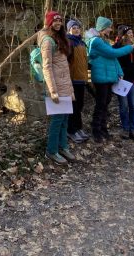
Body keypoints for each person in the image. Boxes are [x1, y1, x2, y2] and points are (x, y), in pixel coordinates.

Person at [85, 16, 133, 143]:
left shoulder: (104, 41)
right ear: (102, 28)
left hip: (108, 76)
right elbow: (113, 54)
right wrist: (129, 48)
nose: (110, 30)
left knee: (105, 104)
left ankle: (103, 129)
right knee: (101, 104)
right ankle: (96, 130)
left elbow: (113, 59)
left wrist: (120, 72)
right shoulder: (96, 41)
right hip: (100, 77)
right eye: (108, 27)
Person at [39, 11, 76, 165]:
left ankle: (63, 146)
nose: (58, 23)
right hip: (56, 87)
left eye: (60, 21)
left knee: (65, 119)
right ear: (49, 23)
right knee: (57, 120)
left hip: (65, 85)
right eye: (55, 21)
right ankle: (51, 151)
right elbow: (46, 67)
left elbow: (63, 67)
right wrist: (52, 90)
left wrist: (70, 89)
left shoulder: (60, 38)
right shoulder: (48, 41)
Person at [113, 25, 134, 141]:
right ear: (123, 35)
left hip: (133, 81)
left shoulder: (133, 47)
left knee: (133, 105)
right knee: (124, 106)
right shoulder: (116, 47)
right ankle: (125, 129)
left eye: (132, 33)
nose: (131, 35)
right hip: (121, 81)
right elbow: (116, 63)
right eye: (129, 33)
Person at [66, 19, 91, 143]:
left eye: (77, 27)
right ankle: (71, 130)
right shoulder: (69, 42)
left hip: (81, 79)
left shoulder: (81, 42)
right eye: (73, 28)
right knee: (73, 107)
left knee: (79, 105)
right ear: (69, 30)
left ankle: (78, 128)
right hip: (73, 79)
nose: (76, 30)